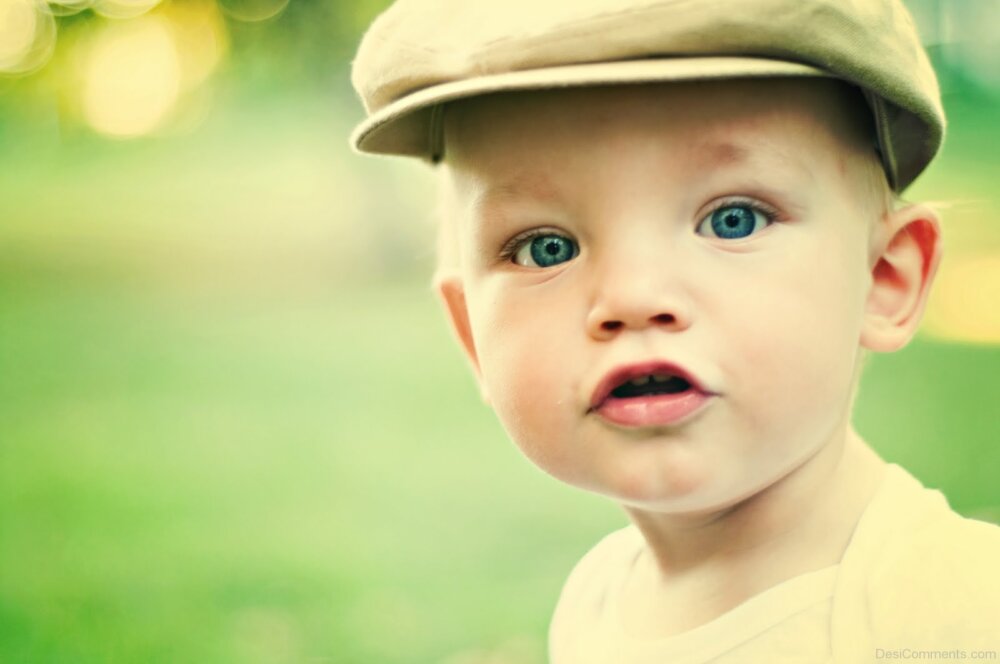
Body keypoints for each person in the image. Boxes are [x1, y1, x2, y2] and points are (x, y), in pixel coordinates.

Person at [349, 0, 1000, 661]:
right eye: (546, 247)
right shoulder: (595, 603)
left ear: (886, 279)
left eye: (733, 220)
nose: (633, 298)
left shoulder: (955, 614)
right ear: (471, 337)